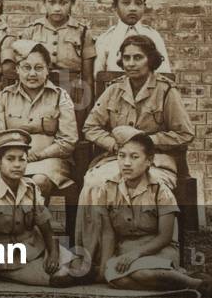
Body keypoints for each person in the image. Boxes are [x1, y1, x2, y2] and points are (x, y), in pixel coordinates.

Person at [88, 129, 212, 298]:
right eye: (121, 156)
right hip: (127, 249)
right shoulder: (107, 189)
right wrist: (103, 269)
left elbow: (165, 237)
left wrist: (136, 255)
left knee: (141, 273)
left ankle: (196, 284)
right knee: (114, 277)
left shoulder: (160, 191)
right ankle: (178, 282)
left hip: (158, 248)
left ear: (149, 161)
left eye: (134, 157)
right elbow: (108, 234)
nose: (126, 163)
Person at [82, 35, 193, 192]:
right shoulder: (113, 90)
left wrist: (146, 142)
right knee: (96, 183)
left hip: (155, 161)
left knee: (147, 187)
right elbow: (90, 127)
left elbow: (184, 134)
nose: (131, 63)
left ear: (150, 60)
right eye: (126, 58)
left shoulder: (166, 91)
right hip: (116, 160)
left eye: (138, 57)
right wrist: (113, 144)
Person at [0, 129, 76, 288]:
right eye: (10, 159)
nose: (17, 165)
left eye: (22, 159)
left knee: (83, 268)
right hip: (8, 257)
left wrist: (53, 254)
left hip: (35, 247)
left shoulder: (30, 187)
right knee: (61, 279)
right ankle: (2, 273)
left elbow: (46, 228)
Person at [0, 40, 78, 197]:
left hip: (49, 161)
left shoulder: (60, 96)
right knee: (1, 184)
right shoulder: (5, 97)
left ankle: (34, 214)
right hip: (10, 160)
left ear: (47, 70)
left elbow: (68, 140)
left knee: (38, 182)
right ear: (17, 69)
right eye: (26, 68)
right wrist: (15, 155)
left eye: (38, 68)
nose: (32, 74)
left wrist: (40, 154)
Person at [22, 0, 95, 124]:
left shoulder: (82, 32)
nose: (57, 8)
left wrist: (87, 105)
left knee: (72, 129)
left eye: (63, 2)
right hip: (39, 88)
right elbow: (23, 68)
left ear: (72, 3)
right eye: (52, 2)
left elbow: (87, 76)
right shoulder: (32, 31)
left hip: (72, 89)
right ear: (44, 3)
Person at [94, 0, 173, 76]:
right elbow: (98, 76)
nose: (133, 8)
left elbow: (164, 73)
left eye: (138, 3)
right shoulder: (105, 39)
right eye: (126, 3)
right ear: (115, 6)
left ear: (144, 6)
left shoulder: (153, 36)